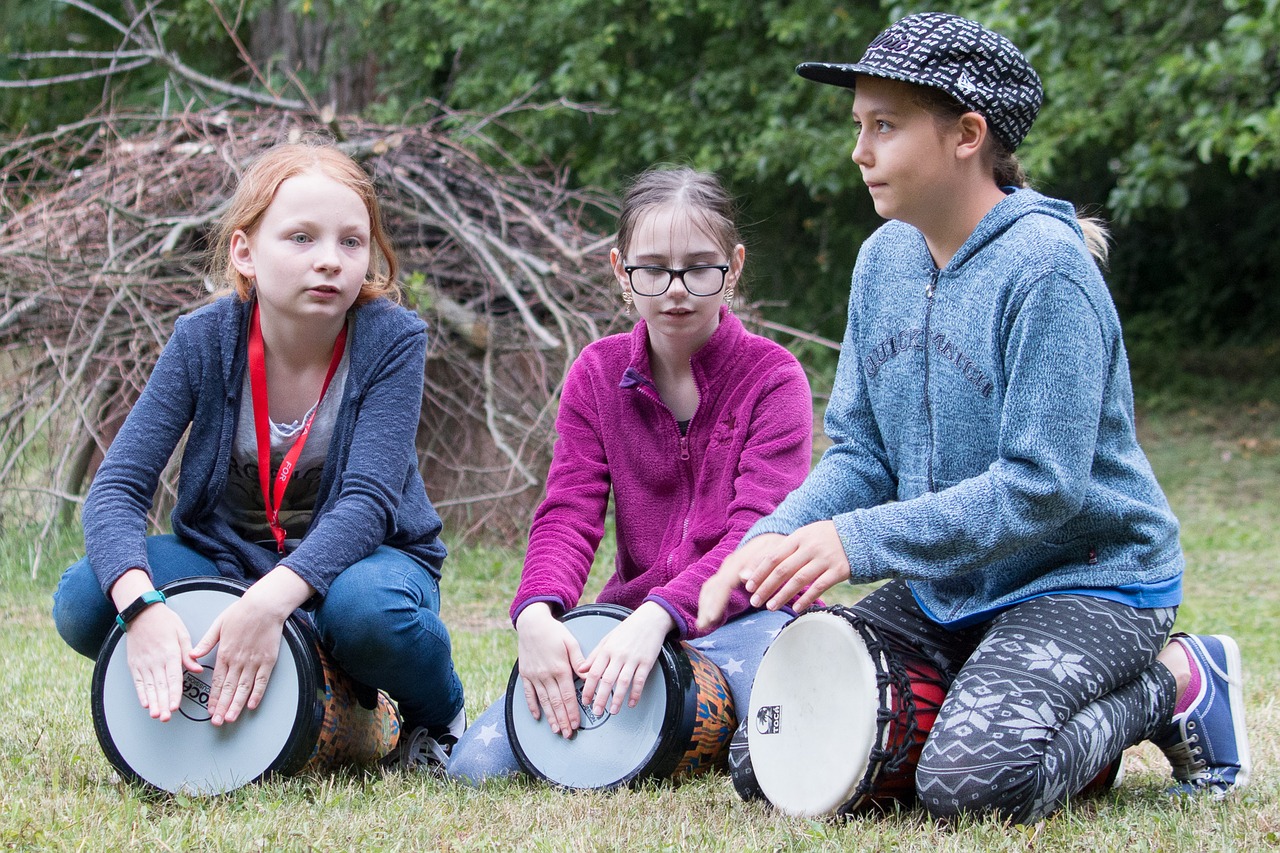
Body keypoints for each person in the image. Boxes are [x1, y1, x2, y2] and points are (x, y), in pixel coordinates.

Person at [698, 12, 1250, 823]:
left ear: (967, 134)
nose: (860, 150)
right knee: (769, 762)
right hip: (946, 588)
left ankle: (1178, 681)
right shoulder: (881, 260)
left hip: (1087, 579)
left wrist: (858, 542)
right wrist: (765, 545)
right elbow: (861, 456)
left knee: (974, 785)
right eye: (859, 125)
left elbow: (1040, 490)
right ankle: (987, 688)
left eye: (884, 125)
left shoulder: (1047, 271)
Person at [52, 141, 465, 771]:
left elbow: (367, 505)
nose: (329, 260)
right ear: (245, 251)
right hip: (229, 562)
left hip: (364, 567)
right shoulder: (202, 339)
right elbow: (118, 488)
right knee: (86, 600)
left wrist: (270, 603)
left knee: (368, 617)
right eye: (301, 238)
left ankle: (434, 715)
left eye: (351, 242)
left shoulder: (392, 340)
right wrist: (142, 606)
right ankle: (306, 681)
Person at [447, 166, 813, 782]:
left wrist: (662, 615)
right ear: (621, 271)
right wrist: (537, 614)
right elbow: (569, 512)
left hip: (749, 622)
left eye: (700, 267)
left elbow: (759, 537)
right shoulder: (597, 373)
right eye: (652, 268)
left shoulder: (774, 379)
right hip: (629, 623)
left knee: (784, 757)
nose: (676, 290)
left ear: (735, 265)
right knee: (476, 768)